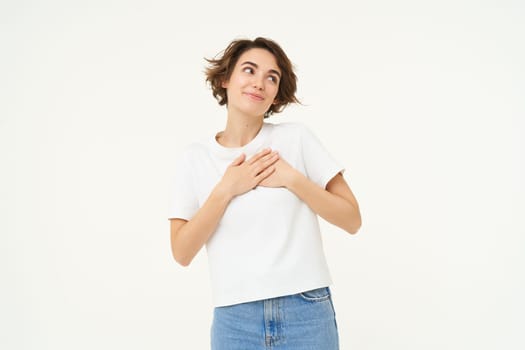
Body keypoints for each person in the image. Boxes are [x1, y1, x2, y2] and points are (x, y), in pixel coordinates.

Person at [168, 37, 361, 350]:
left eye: (272, 77)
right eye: (249, 70)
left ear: (276, 94)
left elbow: (352, 219)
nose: (260, 83)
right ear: (225, 79)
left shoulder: (297, 139)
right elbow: (182, 252)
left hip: (307, 310)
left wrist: (293, 179)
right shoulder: (195, 158)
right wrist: (226, 189)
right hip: (235, 319)